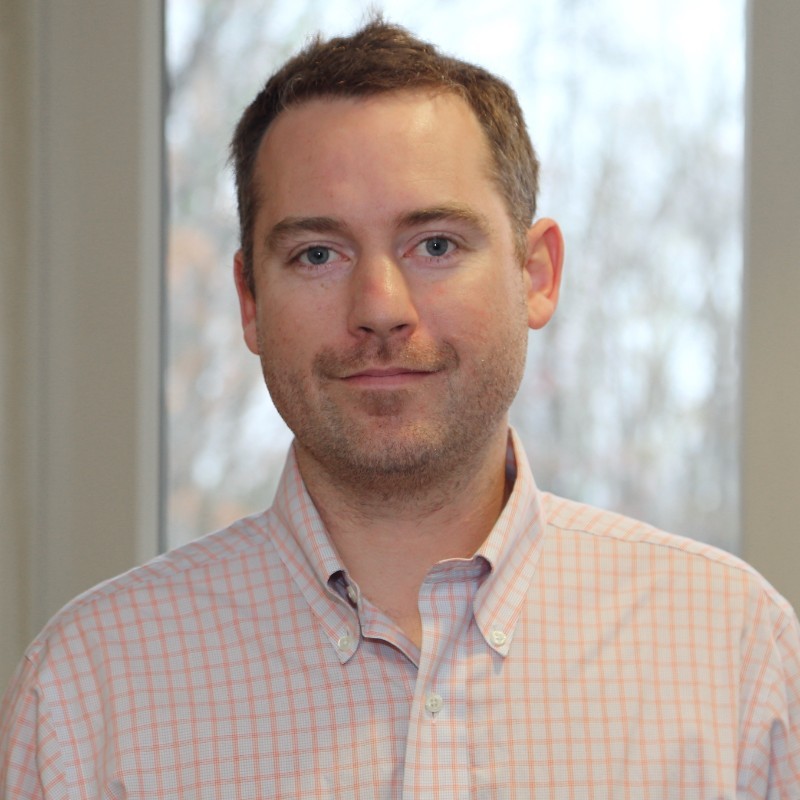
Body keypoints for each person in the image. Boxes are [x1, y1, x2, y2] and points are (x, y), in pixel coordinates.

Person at [1, 19, 798, 799]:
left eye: (436, 245)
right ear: (249, 301)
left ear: (537, 274)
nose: (380, 307)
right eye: (318, 254)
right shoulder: (88, 695)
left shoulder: (736, 658)